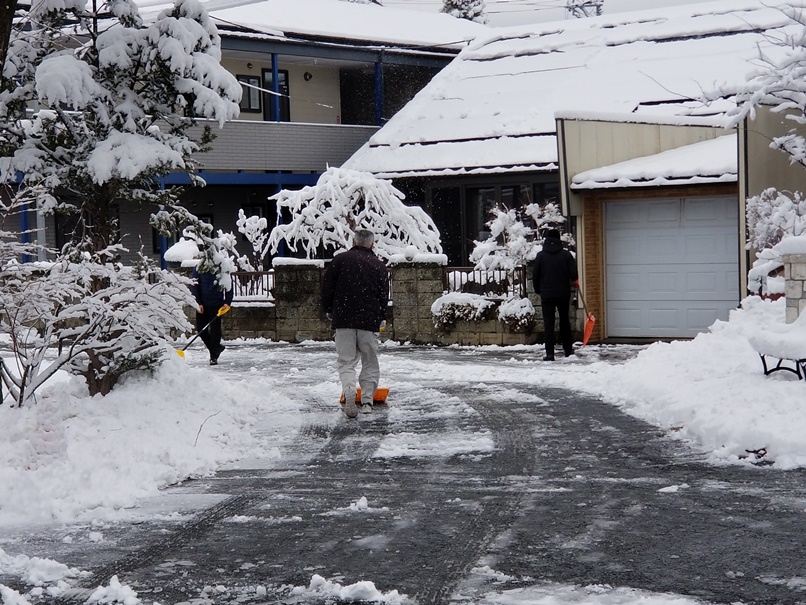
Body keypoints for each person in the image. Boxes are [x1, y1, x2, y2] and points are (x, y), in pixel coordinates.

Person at [321, 229, 389, 419]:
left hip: (343, 319)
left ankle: (350, 390)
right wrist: (381, 316)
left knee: (346, 361)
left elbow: (327, 288)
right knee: (369, 360)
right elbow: (383, 295)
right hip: (368, 320)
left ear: (353, 241)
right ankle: (367, 401)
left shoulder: (340, 261)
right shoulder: (379, 266)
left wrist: (328, 309)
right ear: (372, 244)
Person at [532, 228, 579, 361]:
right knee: (564, 321)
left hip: (547, 294)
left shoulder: (541, 256)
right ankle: (568, 350)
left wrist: (538, 290)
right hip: (563, 293)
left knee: (549, 323)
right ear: (559, 240)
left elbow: (536, 275)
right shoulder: (566, 255)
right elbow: (573, 275)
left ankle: (550, 353)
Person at [190, 265, 234, 365]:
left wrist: (227, 302)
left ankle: (213, 356)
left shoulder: (221, 267)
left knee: (215, 331)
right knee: (201, 330)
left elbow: (229, 286)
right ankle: (216, 348)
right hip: (202, 306)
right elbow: (194, 285)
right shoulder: (199, 268)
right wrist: (198, 302)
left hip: (217, 305)